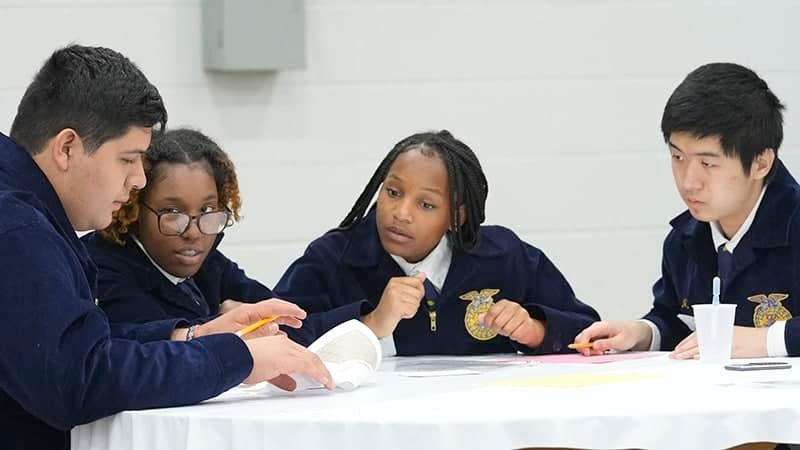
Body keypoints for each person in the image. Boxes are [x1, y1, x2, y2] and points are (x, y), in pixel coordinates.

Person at [0, 45, 331, 450]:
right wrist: (235, 359)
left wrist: (193, 336)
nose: (138, 179)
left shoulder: (26, 215)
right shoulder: (16, 227)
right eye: (128, 159)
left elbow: (77, 347)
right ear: (67, 147)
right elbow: (79, 380)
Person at [274, 130, 599, 355]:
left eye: (426, 205)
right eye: (393, 192)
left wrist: (536, 331)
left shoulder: (504, 256)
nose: (400, 213)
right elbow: (275, 336)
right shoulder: (333, 258)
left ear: (456, 216)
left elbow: (590, 331)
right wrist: (370, 323)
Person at [574, 62, 800, 359]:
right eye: (678, 157)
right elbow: (683, 323)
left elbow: (740, 341)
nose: (689, 182)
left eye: (708, 163)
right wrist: (643, 333)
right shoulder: (685, 239)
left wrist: (767, 340)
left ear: (760, 163)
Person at [82, 128, 275, 323]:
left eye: (207, 210)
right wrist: (229, 322)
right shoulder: (100, 271)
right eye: (172, 213)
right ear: (134, 208)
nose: (193, 233)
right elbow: (152, 344)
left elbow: (283, 316)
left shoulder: (208, 263)